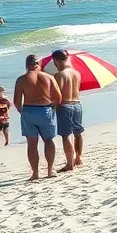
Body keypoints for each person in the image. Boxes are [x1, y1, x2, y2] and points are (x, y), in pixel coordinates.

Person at [14, 53, 63, 181]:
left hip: (29, 111)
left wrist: (22, 112)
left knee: (32, 144)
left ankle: (35, 173)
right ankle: (50, 170)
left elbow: (17, 101)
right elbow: (58, 97)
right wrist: (53, 108)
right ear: (39, 64)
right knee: (49, 140)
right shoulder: (49, 77)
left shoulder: (21, 79)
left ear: (26, 65)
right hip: (45, 110)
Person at [51, 49, 84, 172]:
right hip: (77, 104)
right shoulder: (77, 73)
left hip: (65, 105)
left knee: (65, 135)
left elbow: (57, 95)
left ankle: (69, 163)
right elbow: (78, 89)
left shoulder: (59, 75)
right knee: (78, 133)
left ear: (55, 60)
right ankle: (78, 158)